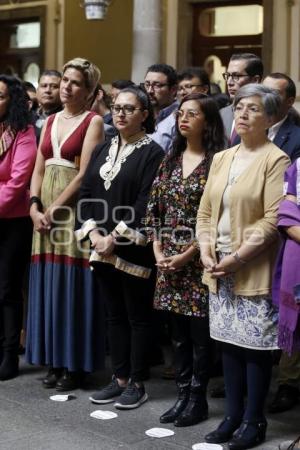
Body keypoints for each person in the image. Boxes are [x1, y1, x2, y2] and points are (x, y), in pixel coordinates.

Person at [196, 84, 290, 450]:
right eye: (239, 107)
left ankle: (254, 420)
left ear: (270, 117)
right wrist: (206, 250)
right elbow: (205, 211)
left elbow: (272, 221)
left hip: (251, 267)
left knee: (254, 350)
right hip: (216, 265)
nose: (243, 113)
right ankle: (231, 416)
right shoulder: (222, 157)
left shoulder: (275, 159)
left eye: (253, 108)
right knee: (228, 346)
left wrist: (236, 258)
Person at [76, 85, 164, 410]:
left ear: (144, 114)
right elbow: (86, 192)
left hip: (132, 248)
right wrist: (95, 235)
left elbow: (144, 202)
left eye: (129, 108)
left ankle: (138, 382)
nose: (121, 113)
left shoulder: (153, 152)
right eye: (117, 107)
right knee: (114, 316)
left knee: (138, 316)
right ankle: (120, 377)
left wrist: (114, 237)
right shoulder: (102, 148)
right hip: (100, 246)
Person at [146, 93, 225, 427]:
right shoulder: (170, 157)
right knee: (177, 334)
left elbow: (216, 216)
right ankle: (181, 395)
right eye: (181, 113)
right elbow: (153, 209)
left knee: (199, 336)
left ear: (207, 120)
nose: (183, 119)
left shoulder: (218, 161)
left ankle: (197, 399)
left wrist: (187, 254)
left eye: (192, 114)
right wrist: (159, 252)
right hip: (168, 259)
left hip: (200, 258)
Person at [26, 58, 105, 391]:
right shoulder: (50, 120)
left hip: (71, 211)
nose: (66, 87)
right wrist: (33, 206)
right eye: (64, 81)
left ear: (87, 91)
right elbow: (39, 169)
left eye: (75, 83)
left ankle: (76, 364)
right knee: (48, 282)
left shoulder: (94, 121)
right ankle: (53, 359)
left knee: (71, 284)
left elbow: (85, 173)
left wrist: (56, 208)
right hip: (43, 212)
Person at [0, 75, 37, 380]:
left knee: (8, 290)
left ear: (12, 100)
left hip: (13, 221)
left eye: (0, 96)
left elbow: (18, 179)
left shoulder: (23, 132)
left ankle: (10, 354)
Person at [270, 157, 300, 414]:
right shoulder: (299, 166)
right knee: (295, 323)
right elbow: (287, 212)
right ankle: (288, 383)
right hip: (297, 259)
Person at [220, 53, 263, 146]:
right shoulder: (221, 114)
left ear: (255, 80)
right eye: (228, 75)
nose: (229, 82)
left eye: (236, 76)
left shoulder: (266, 115)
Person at [263, 73, 300, 163]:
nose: (265, 98)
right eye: (263, 91)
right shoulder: (247, 129)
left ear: (290, 101)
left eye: (274, 93)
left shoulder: (297, 139)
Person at [142, 63, 178, 153]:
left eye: (157, 85)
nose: (150, 90)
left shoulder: (180, 117)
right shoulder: (141, 114)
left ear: (173, 89)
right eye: (147, 84)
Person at [35, 70, 62, 142]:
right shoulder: (28, 117)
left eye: (54, 86)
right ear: (37, 91)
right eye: (44, 86)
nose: (48, 90)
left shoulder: (66, 118)